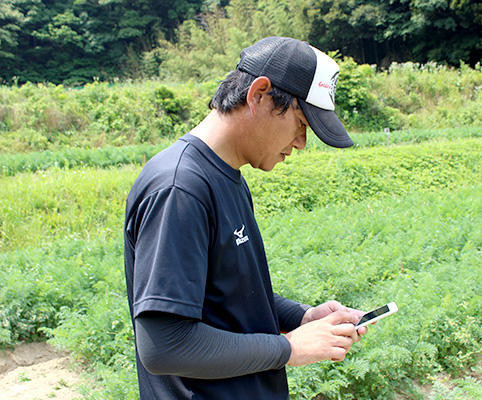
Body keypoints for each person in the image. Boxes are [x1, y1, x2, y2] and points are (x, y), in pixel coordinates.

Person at [123, 36, 368, 399]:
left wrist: (302, 317)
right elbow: (165, 345)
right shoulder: (180, 188)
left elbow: (230, 296)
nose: (301, 143)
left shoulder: (227, 177)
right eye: (301, 123)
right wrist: (290, 348)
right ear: (259, 95)